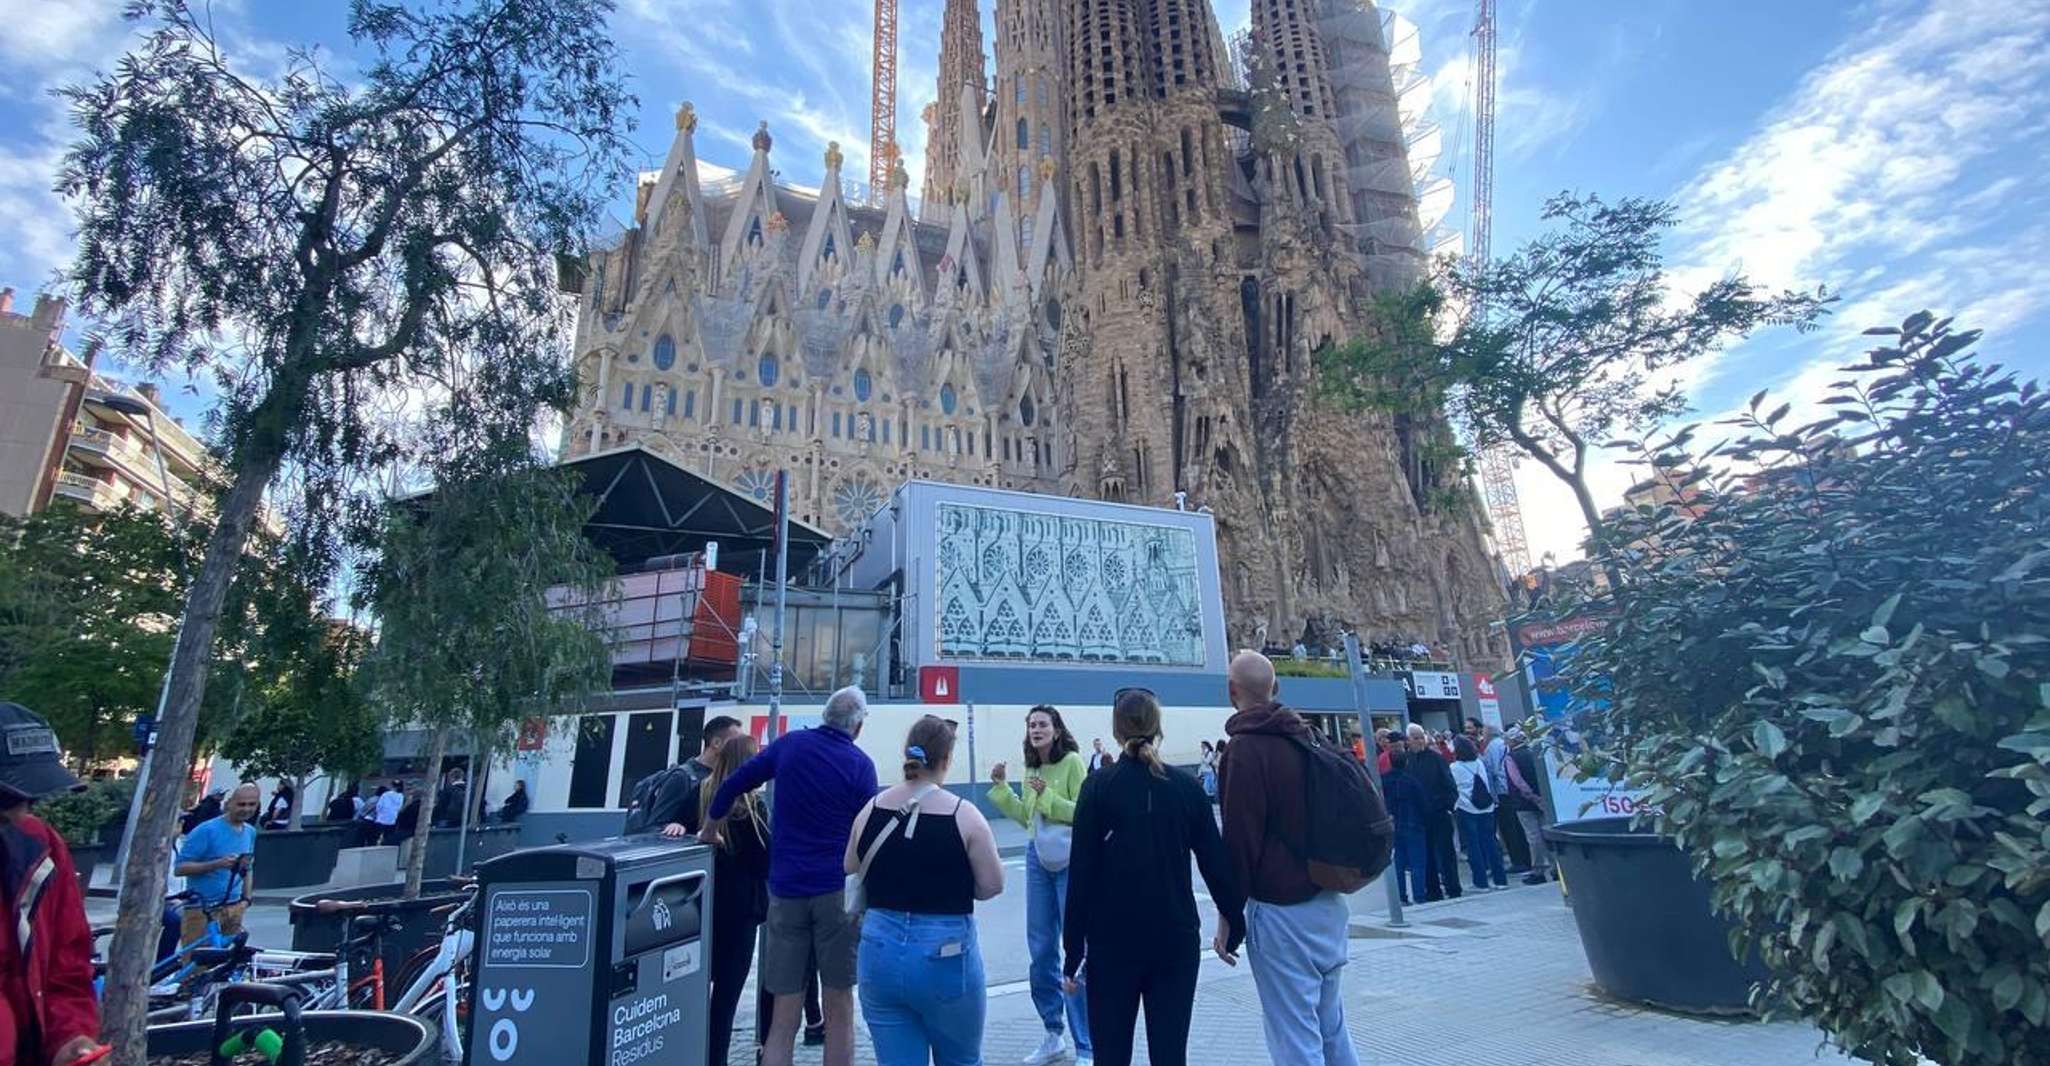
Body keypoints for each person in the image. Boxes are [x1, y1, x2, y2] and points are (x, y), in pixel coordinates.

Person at [1065, 688, 1244, 1066]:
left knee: (1110, 1054)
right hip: (1174, 937)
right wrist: (1234, 922)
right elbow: (1215, 863)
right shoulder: (1186, 789)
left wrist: (1073, 950)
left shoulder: (1098, 787)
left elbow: (1081, 873)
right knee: (1170, 1053)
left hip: (1112, 940)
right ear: (1158, 728)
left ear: (1116, 730)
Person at [705, 687, 878, 1066]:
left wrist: (709, 830)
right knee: (839, 1007)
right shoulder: (861, 765)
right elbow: (869, 833)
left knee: (784, 1012)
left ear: (824, 716)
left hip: (785, 894)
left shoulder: (789, 746)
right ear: (857, 727)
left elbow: (731, 785)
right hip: (836, 894)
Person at [1218, 652, 1360, 1066]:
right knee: (1331, 1026)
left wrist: (1229, 917)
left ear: (1231, 691)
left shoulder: (1245, 750)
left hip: (1282, 912)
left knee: (1294, 1036)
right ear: (1276, 688)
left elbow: (1240, 842)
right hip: (1329, 903)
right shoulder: (1310, 737)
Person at [846, 717, 1004, 1064]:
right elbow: (992, 885)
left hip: (879, 949)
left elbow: (850, 865)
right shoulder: (965, 815)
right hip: (944, 952)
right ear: (946, 759)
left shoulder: (871, 808)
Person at [0, 703, 102, 1066]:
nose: (20, 812)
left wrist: (69, 1037)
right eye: (5, 798)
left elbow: (68, 965)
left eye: (28, 798)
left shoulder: (40, 846)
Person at [989, 706, 1092, 1066]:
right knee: (1041, 947)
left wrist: (1047, 797)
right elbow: (1026, 818)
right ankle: (1052, 1032)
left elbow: (1084, 812)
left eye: (1042, 724)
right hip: (1037, 855)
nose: (1036, 730)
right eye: (1031, 725)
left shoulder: (1073, 763)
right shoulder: (1031, 768)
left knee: (1075, 947)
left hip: (1069, 857)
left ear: (1057, 730)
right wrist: (1001, 788)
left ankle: (1086, 1045)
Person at [702, 734, 772, 1066]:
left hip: (704, 904)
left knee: (697, 988)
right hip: (742, 909)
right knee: (726, 998)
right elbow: (764, 861)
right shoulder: (752, 808)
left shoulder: (701, 794)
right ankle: (716, 1059)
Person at [175, 782, 259, 944]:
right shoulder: (206, 830)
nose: (246, 809)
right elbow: (180, 868)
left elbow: (248, 867)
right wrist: (216, 864)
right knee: (197, 958)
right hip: (202, 909)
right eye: (241, 804)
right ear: (229, 803)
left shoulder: (250, 832)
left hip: (233, 907)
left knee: (227, 958)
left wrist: (246, 900)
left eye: (251, 804)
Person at [648, 715, 744, 837]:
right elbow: (655, 827)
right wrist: (672, 827)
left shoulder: (728, 777)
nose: (741, 748)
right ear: (716, 743)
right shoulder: (681, 778)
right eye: (736, 743)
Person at [1404, 725, 1461, 901]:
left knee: (1446, 852)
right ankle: (1433, 890)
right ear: (1408, 740)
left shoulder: (1436, 758)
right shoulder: (1407, 760)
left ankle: (1453, 887)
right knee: (1426, 854)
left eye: (1421, 737)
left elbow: (1449, 784)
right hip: (1419, 816)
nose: (1419, 741)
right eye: (1415, 738)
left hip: (1439, 812)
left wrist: (1446, 805)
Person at [1450, 736, 1508, 890]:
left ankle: (1481, 882)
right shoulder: (1479, 763)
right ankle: (1500, 880)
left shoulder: (1454, 767)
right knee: (1490, 842)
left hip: (1466, 807)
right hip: (1486, 806)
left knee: (1473, 845)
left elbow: (1454, 787)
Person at [1381, 737, 1428, 906]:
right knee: (1417, 862)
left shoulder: (1383, 781)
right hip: (1413, 824)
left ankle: (1401, 896)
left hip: (1393, 824)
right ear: (1406, 762)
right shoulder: (1412, 781)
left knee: (1398, 862)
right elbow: (1423, 803)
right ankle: (1419, 895)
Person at [1504, 730, 1554, 884]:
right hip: (1543, 798)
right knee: (1547, 833)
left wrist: (1531, 796)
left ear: (1512, 741)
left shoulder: (1511, 757)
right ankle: (1556, 867)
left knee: (1533, 836)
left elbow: (1517, 781)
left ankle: (1539, 870)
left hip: (1524, 802)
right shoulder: (1535, 752)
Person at [372, 780, 404, 845]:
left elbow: (379, 806)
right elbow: (399, 808)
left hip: (381, 819)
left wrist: (378, 814)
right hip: (392, 820)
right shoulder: (401, 796)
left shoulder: (385, 794)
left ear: (392, 786)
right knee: (388, 837)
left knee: (376, 837)